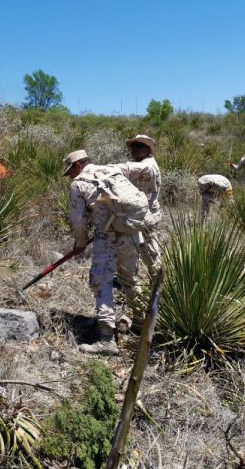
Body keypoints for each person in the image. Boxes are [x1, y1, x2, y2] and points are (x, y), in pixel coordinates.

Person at [63, 149, 140, 356]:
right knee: (130, 279)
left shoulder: (79, 183)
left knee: (101, 281)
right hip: (132, 233)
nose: (71, 175)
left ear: (78, 165)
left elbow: (78, 221)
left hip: (108, 238)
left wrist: (79, 243)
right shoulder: (112, 171)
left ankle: (107, 340)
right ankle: (143, 324)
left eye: (70, 170)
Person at [114, 135, 163, 302]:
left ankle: (157, 292)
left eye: (140, 146)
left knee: (151, 253)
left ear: (148, 149)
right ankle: (153, 291)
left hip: (146, 217)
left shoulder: (146, 166)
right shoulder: (144, 164)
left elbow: (127, 172)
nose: (135, 149)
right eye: (134, 146)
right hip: (141, 216)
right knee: (146, 251)